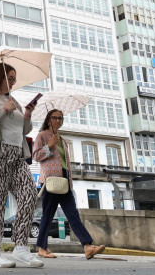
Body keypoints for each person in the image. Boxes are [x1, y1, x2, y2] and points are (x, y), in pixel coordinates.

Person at [0, 63, 43, 269]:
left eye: (14, 79)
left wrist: (27, 114)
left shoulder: (14, 100)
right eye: (10, 77)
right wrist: (4, 109)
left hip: (17, 155)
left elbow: (24, 129)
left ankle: (20, 247)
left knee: (29, 193)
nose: (12, 82)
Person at [33, 109, 106, 260]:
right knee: (47, 215)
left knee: (73, 214)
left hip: (65, 181)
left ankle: (87, 246)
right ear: (48, 120)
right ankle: (42, 248)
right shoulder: (42, 136)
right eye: (55, 118)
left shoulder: (63, 140)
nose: (58, 121)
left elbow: (64, 163)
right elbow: (36, 156)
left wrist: (70, 181)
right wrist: (50, 145)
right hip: (51, 181)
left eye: (60, 118)